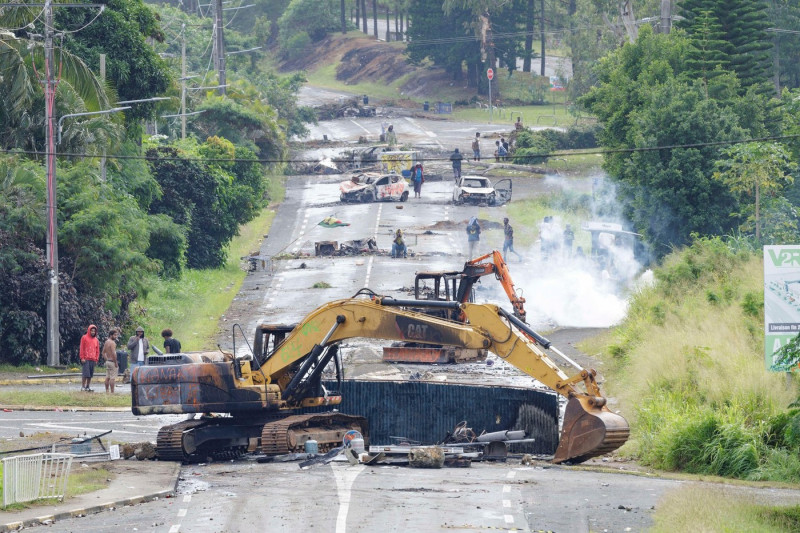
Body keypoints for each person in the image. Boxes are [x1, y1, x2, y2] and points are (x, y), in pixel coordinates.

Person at [79, 324, 100, 392]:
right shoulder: (84, 337)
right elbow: (82, 348)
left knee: (90, 374)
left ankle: (88, 386)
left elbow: (97, 350)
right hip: (86, 358)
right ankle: (83, 386)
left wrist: (96, 359)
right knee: (85, 373)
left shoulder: (96, 340)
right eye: (92, 331)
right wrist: (82, 357)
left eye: (94, 331)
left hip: (93, 359)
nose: (93, 332)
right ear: (89, 331)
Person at [102, 328, 119, 394]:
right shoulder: (112, 343)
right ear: (111, 335)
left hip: (108, 361)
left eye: (116, 335)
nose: (116, 336)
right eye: (114, 335)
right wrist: (115, 362)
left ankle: (107, 391)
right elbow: (113, 353)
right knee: (112, 378)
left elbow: (103, 352)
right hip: (112, 361)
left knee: (107, 377)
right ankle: (112, 392)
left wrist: (106, 360)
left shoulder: (106, 342)